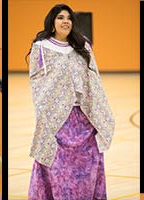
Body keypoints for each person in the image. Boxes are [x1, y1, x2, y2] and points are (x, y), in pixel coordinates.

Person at [26, 4, 114, 199]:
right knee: (56, 169)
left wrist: (100, 112)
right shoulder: (41, 48)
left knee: (87, 170)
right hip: (57, 119)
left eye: (69, 18)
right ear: (52, 22)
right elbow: (37, 84)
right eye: (60, 17)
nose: (65, 21)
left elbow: (94, 81)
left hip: (84, 120)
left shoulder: (82, 47)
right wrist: (45, 113)